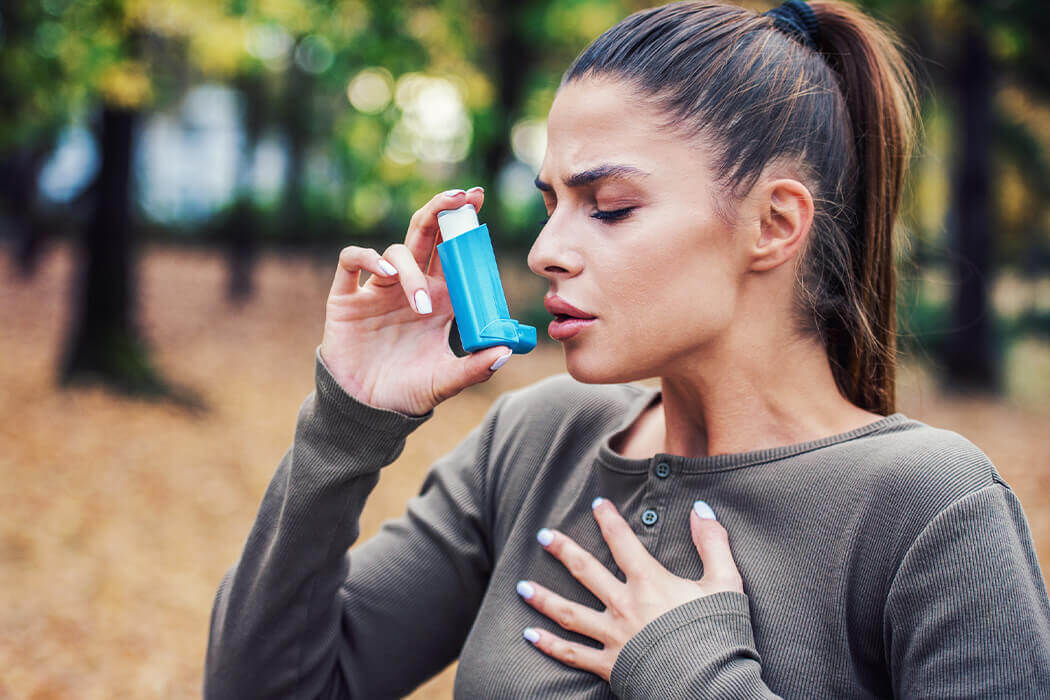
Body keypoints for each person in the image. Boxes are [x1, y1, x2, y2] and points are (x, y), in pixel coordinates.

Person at [204, 1, 1050, 697]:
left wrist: (691, 670)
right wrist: (345, 425)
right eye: (550, 203)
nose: (544, 251)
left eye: (607, 206)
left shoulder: (932, 509)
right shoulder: (535, 441)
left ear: (775, 223)